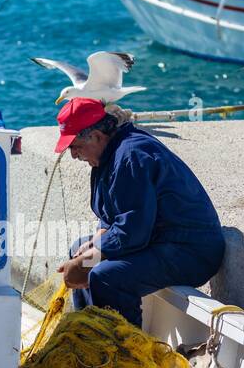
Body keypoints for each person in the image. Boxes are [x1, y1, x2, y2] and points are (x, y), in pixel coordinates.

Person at [54, 98, 225, 327]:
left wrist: (89, 260)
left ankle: (122, 352)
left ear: (96, 136)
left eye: (75, 146)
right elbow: (110, 218)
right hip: (157, 240)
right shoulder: (105, 155)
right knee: (79, 250)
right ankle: (91, 334)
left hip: (190, 250)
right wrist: (92, 246)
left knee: (105, 276)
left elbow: (132, 231)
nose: (74, 155)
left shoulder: (131, 156)